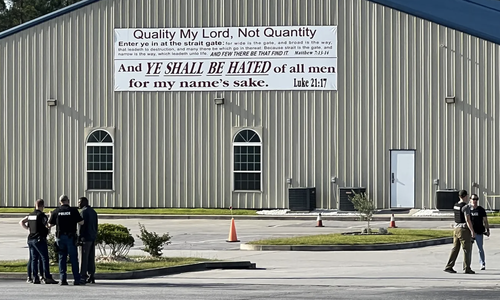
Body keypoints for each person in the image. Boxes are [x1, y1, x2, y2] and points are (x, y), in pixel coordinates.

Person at [19, 199, 58, 284]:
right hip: (39, 239)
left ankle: (35, 277)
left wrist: (28, 229)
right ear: (42, 206)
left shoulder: (31, 215)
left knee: (34, 259)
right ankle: (47, 277)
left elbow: (22, 222)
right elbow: (47, 225)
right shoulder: (41, 215)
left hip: (31, 238)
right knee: (44, 258)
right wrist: (50, 217)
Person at [48, 195, 84, 285]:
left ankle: (63, 279)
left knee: (61, 258)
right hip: (71, 238)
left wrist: (50, 215)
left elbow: (49, 225)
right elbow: (81, 222)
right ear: (68, 201)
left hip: (60, 238)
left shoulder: (56, 211)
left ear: (60, 202)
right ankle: (77, 279)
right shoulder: (73, 211)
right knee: (73, 259)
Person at [444, 189, 476, 274]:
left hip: (456, 228)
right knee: (466, 249)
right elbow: (467, 219)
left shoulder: (456, 205)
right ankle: (467, 268)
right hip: (463, 229)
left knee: (455, 248)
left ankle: (449, 266)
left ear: (459, 196)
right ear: (465, 196)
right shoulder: (466, 207)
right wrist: (472, 231)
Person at [78, 196, 98, 284]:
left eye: (79, 202)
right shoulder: (93, 212)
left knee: (83, 258)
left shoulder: (83, 212)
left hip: (85, 238)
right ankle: (91, 275)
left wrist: (78, 238)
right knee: (91, 257)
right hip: (92, 237)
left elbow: (81, 226)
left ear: (83, 203)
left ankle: (83, 275)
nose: (78, 204)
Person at [469, 193, 490, 270]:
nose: (475, 201)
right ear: (470, 199)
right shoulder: (468, 209)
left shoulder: (481, 210)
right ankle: (468, 265)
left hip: (479, 231)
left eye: (476, 199)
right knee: (469, 250)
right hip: (470, 232)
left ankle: (482, 263)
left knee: (480, 248)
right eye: (473, 199)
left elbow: (485, 221)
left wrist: (487, 230)